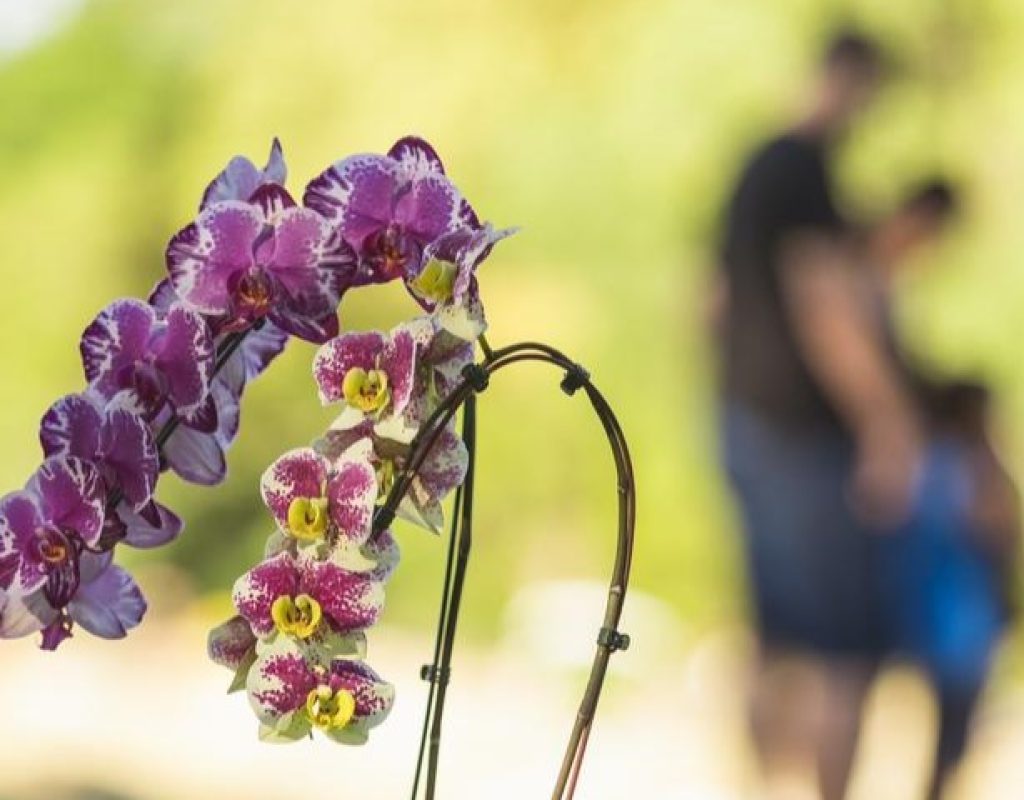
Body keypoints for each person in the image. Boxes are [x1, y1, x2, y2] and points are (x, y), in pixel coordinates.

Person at [714, 29, 921, 800]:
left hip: (745, 423)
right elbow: (825, 307)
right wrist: (887, 423)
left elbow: (710, 301)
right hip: (803, 441)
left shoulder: (756, 167)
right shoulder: (803, 169)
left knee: (776, 639)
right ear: (853, 81)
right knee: (843, 649)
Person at [861, 181, 1019, 799]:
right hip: (956, 630)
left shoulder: (926, 469)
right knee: (946, 745)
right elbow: (999, 524)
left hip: (931, 620)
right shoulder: (964, 470)